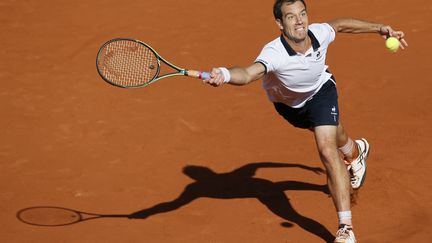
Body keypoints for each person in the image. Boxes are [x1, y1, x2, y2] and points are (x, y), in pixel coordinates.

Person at [203, 0, 408, 242]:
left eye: (302, 14)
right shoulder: (274, 53)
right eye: (291, 17)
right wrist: (225, 74)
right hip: (290, 107)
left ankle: (346, 228)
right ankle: (355, 152)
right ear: (279, 23)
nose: (300, 21)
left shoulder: (318, 33)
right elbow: (248, 73)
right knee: (333, 131)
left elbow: (341, 25)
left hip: (321, 91)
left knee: (326, 148)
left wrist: (380, 28)